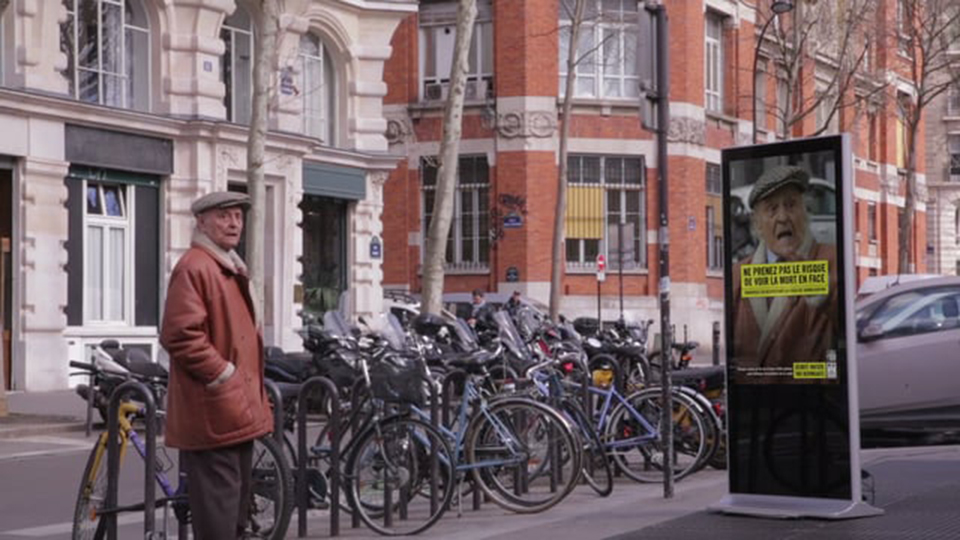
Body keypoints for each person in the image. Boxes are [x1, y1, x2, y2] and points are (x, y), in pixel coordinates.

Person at [160, 191, 274, 539]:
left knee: (234, 511)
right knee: (218, 518)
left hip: (234, 408)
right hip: (216, 410)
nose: (234, 223)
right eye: (224, 216)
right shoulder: (196, 266)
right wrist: (224, 375)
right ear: (202, 221)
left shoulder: (226, 265)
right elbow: (180, 335)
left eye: (238, 216)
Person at [731, 165, 839, 376]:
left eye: (791, 205)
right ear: (758, 224)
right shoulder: (738, 275)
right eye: (772, 209)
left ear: (805, 212)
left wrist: (825, 298)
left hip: (812, 399)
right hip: (756, 403)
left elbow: (845, 328)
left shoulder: (831, 260)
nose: (783, 217)